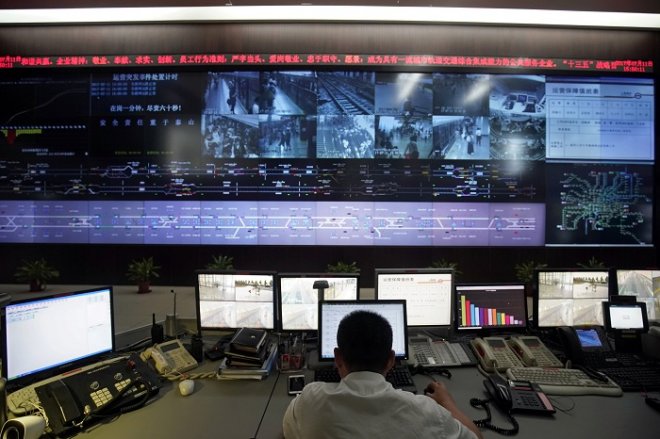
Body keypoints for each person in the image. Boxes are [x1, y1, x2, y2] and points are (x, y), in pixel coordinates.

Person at [282, 310, 483, 439]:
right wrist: (447, 402)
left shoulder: (309, 401)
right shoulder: (427, 412)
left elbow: (288, 429)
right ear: (391, 360)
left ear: (337, 357)